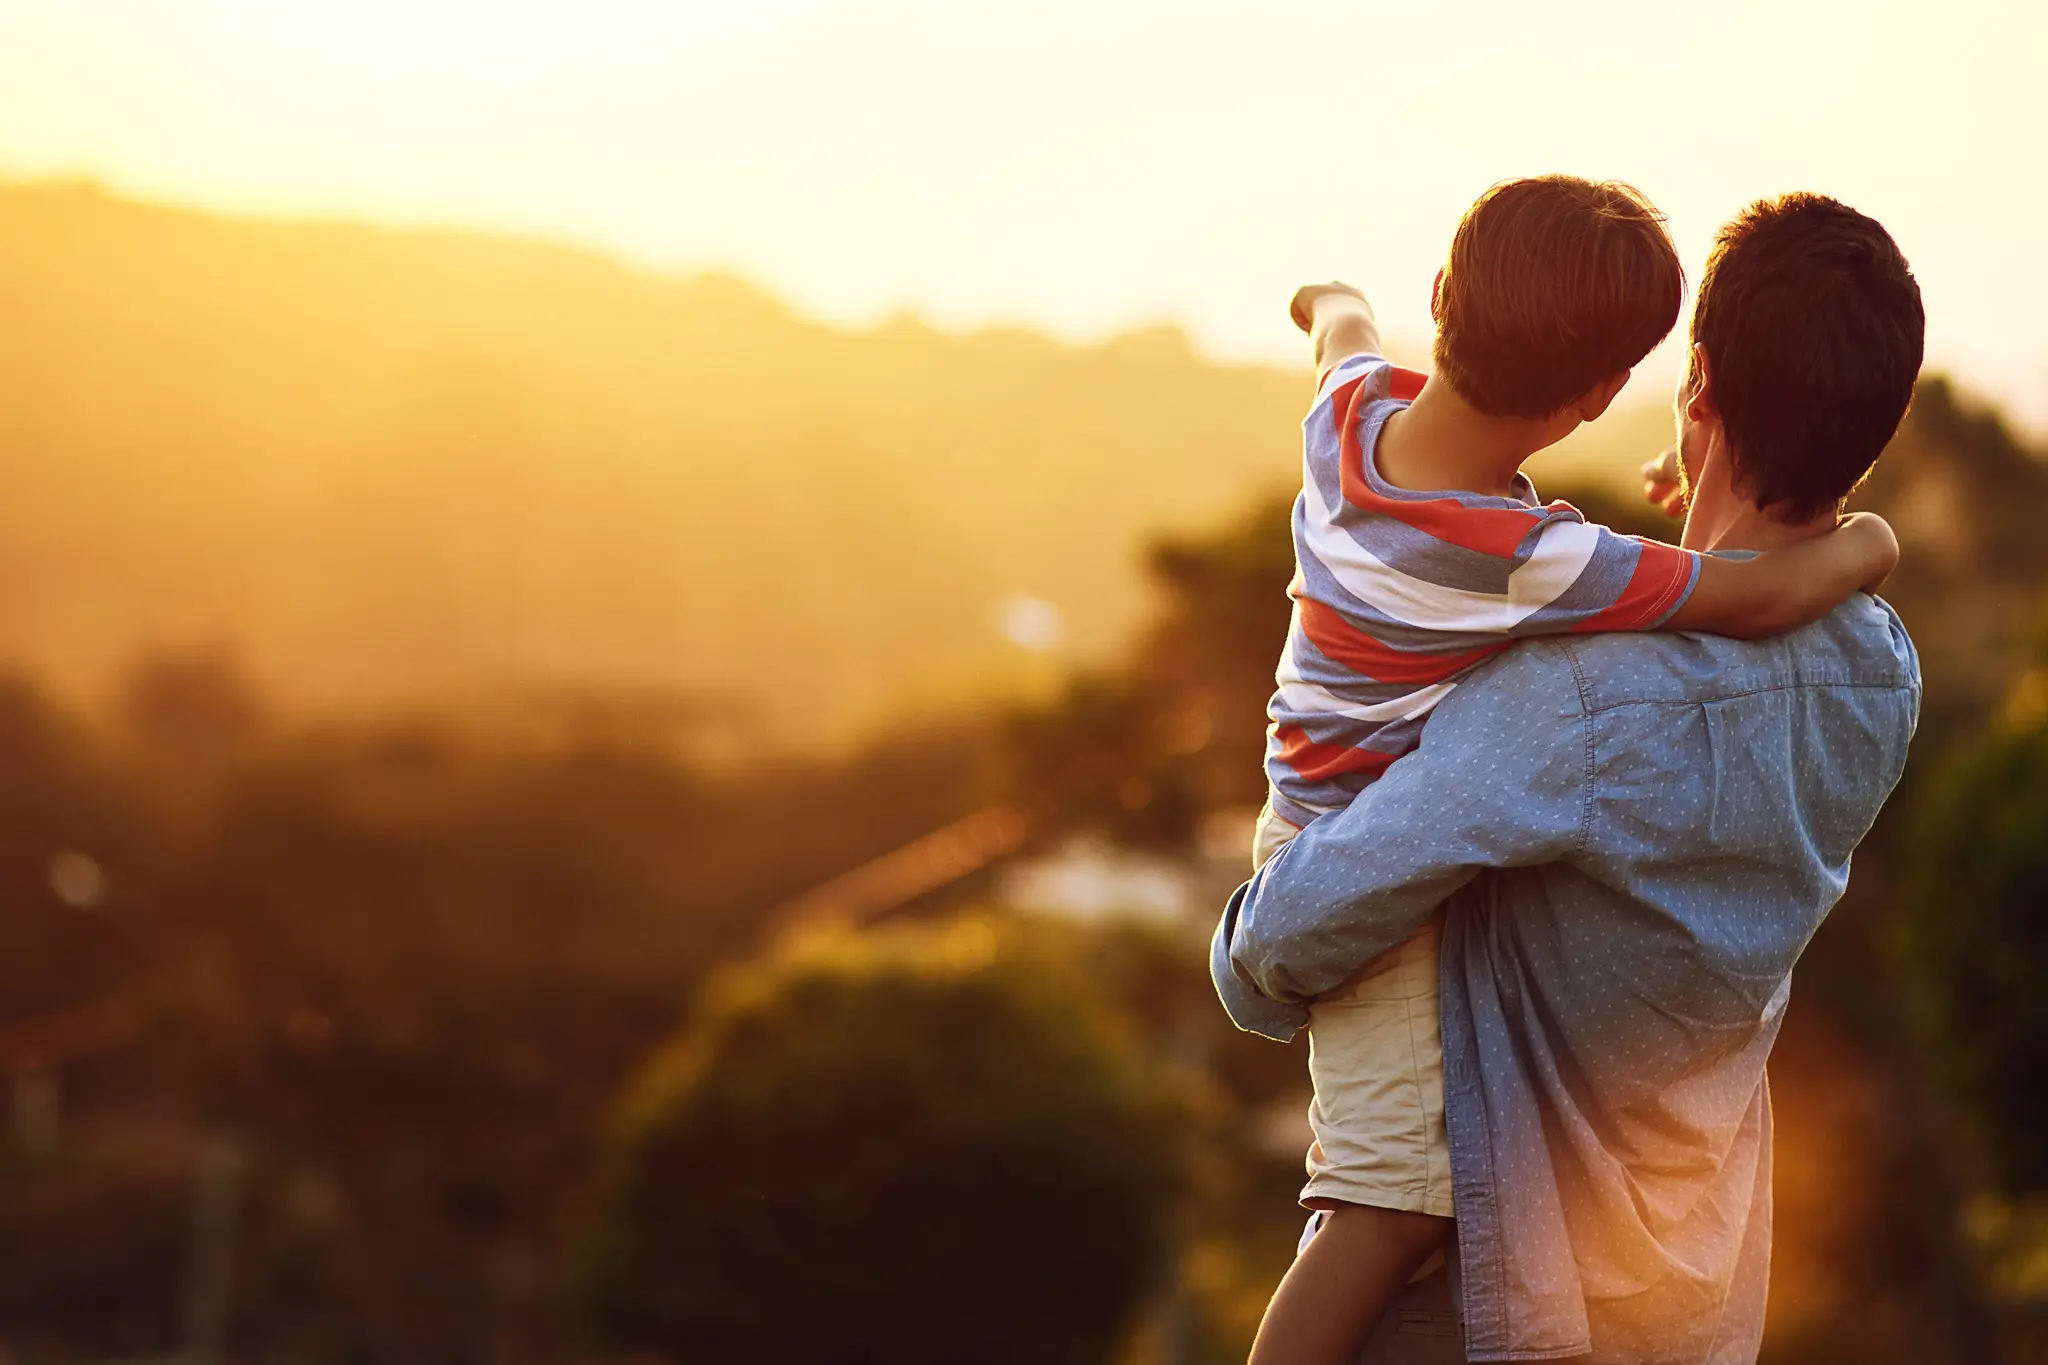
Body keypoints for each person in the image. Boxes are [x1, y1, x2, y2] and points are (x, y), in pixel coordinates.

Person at [1214, 190, 1926, 1364]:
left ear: (1692, 385)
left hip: (1490, 1298)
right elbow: (1748, 597)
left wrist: (1238, 964)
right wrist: (1861, 538)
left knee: (1365, 1206)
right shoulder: (1880, 678)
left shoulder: (1568, 704)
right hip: (1690, 1298)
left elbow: (1285, 939)